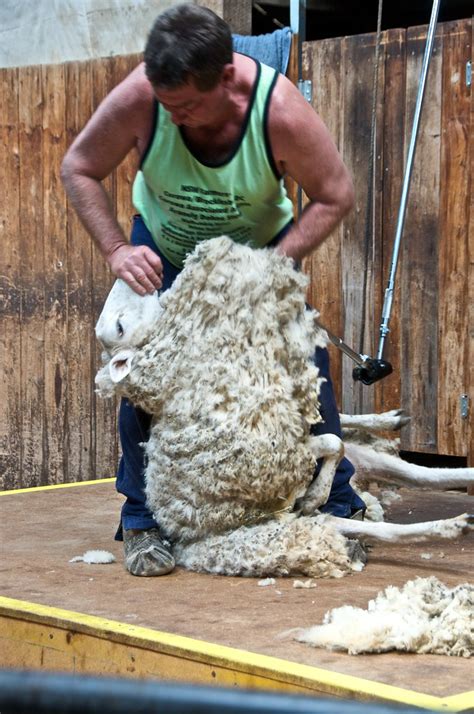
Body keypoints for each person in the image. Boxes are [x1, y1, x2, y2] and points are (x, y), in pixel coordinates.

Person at [61, 3, 366, 577]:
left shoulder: (279, 113)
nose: (174, 118)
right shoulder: (141, 100)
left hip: (256, 252)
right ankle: (143, 519)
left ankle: (338, 502)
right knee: (143, 375)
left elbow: (336, 195)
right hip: (165, 248)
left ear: (228, 76)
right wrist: (116, 250)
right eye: (167, 105)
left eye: (189, 107)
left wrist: (270, 267)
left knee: (305, 365)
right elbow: (78, 167)